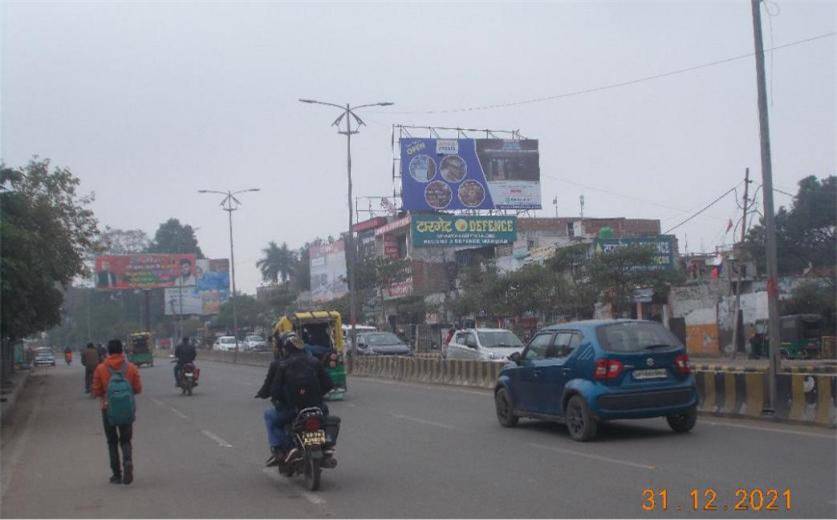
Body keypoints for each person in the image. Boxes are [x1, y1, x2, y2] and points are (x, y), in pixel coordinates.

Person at [257, 332, 333, 466]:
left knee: (269, 416)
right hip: (316, 407)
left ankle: (282, 449)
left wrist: (282, 401)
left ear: (285, 348)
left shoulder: (282, 365)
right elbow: (328, 384)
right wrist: (317, 395)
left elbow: (274, 391)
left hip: (292, 409)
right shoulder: (314, 361)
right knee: (325, 417)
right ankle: (326, 445)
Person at [91, 339, 142, 485]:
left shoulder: (100, 368)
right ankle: (127, 461)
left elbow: (95, 390)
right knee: (126, 440)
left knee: (112, 441)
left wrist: (104, 394)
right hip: (126, 410)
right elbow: (138, 389)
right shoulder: (131, 368)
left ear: (108, 351)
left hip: (108, 409)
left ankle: (116, 475)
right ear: (122, 351)